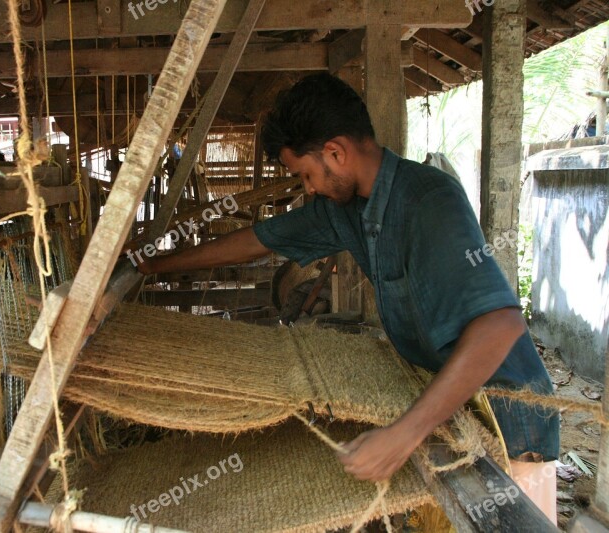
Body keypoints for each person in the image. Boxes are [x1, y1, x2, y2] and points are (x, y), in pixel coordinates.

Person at [133, 73, 559, 522]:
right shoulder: (346, 210)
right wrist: (158, 265)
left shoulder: (429, 202)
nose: (309, 188)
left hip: (508, 419)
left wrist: (404, 434)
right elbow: (260, 239)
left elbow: (500, 324)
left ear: (336, 152)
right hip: (448, 407)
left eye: (307, 175)